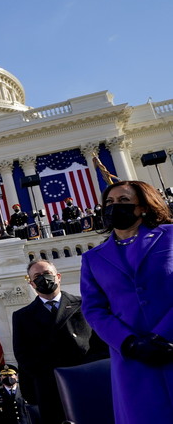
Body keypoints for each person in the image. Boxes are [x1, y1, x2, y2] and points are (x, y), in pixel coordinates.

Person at [80, 180, 173, 423]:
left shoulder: (170, 236)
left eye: (123, 201)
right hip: (133, 360)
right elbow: (94, 309)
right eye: (109, 202)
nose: (114, 207)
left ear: (142, 206)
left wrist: (163, 334)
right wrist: (129, 343)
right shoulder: (93, 258)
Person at [11, 259, 107, 424]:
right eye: (38, 276)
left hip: (88, 382)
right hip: (50, 389)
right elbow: (23, 356)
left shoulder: (84, 305)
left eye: (47, 273)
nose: (44, 278)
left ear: (58, 276)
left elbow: (101, 346)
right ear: (32, 284)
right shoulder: (22, 316)